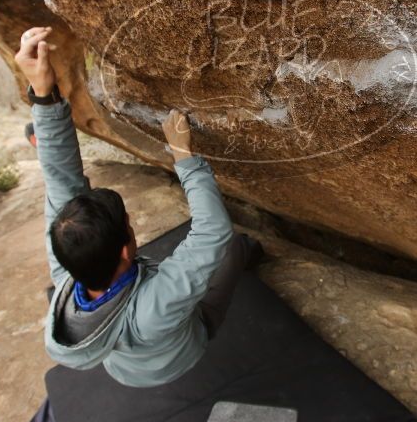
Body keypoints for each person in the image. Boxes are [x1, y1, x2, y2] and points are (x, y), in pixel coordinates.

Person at [15, 26, 262, 387]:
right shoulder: (153, 307)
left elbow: (60, 179)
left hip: (128, 370)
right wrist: (183, 156)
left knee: (205, 263)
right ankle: (250, 253)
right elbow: (213, 232)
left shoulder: (67, 277)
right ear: (127, 249)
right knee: (234, 248)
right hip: (185, 348)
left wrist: (43, 94)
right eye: (128, 225)